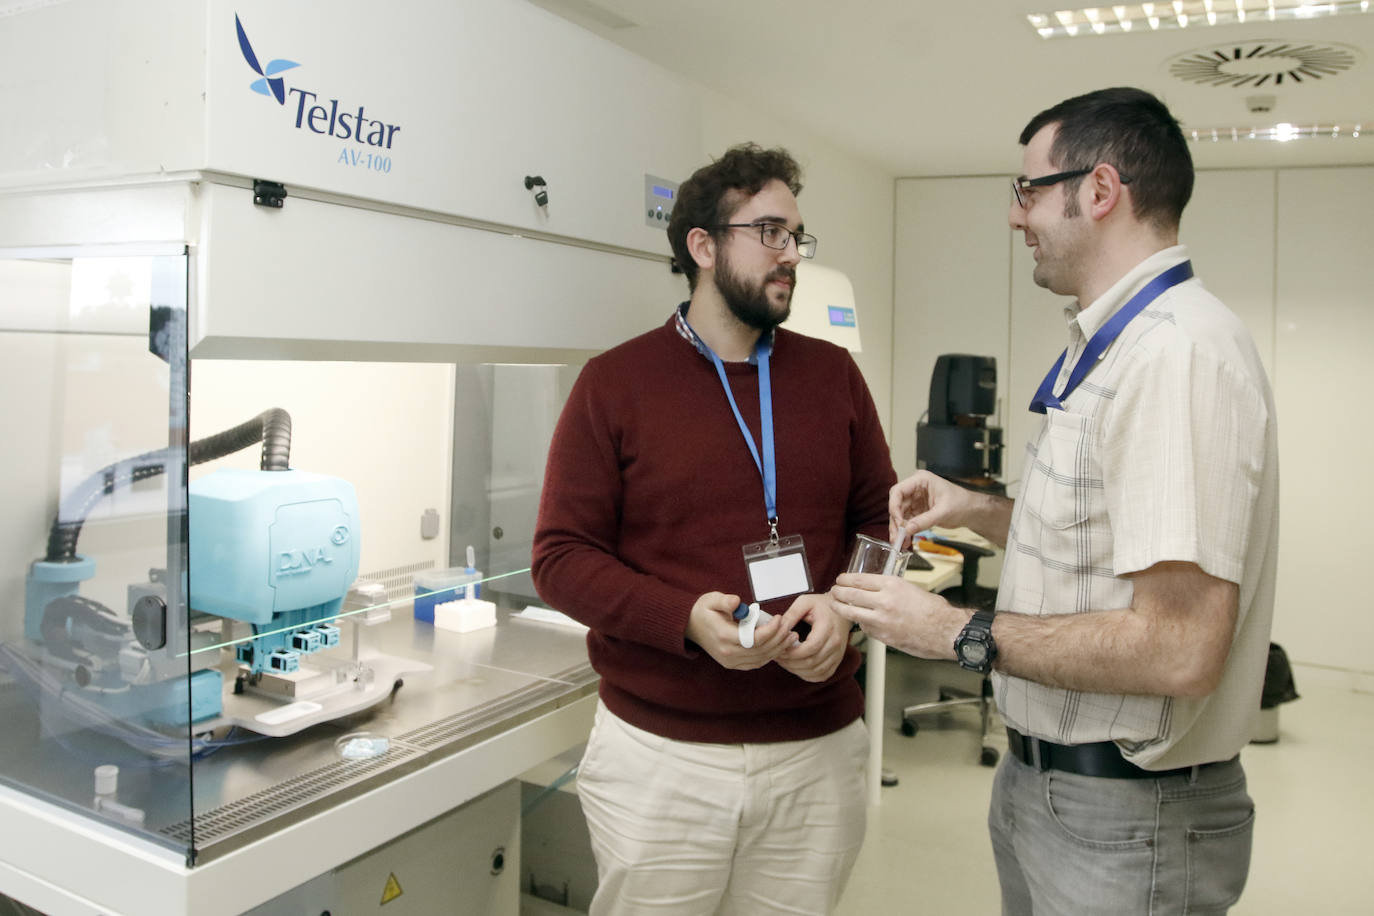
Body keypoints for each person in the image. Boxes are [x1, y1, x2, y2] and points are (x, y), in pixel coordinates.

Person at [829, 87, 1278, 915]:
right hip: (1049, 785)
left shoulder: (1174, 357)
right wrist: (974, 507)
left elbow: (1180, 647)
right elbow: (1109, 535)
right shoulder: (1111, 345)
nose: (1015, 215)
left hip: (1126, 814)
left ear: (1100, 191)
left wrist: (952, 630)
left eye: (1028, 190)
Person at [532, 143, 896, 916]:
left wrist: (843, 608)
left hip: (816, 753)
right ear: (702, 246)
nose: (789, 254)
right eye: (769, 232)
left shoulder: (835, 379)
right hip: (661, 760)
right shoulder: (615, 385)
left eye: (796, 236)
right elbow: (560, 558)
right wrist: (683, 620)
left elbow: (881, 523)